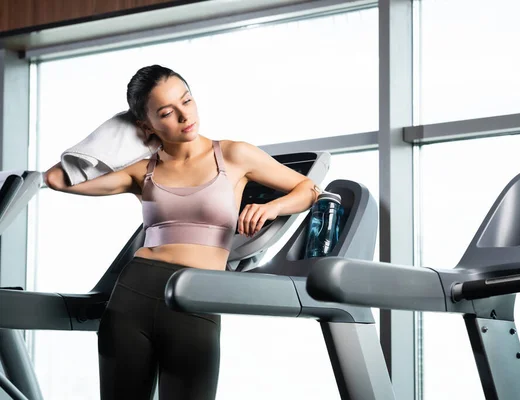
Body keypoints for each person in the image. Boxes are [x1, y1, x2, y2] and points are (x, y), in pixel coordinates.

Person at [44, 65, 320, 400]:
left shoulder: (234, 155)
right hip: (133, 295)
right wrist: (122, 126)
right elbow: (57, 179)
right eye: (166, 112)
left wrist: (272, 207)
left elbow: (308, 189)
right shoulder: (140, 171)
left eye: (186, 101)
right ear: (146, 125)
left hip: (197, 296)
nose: (183, 115)